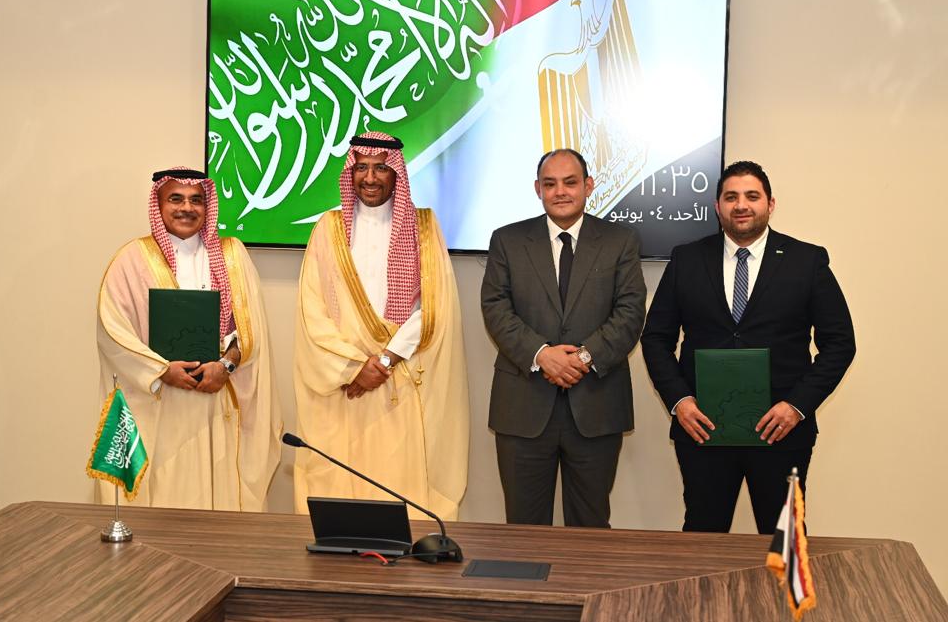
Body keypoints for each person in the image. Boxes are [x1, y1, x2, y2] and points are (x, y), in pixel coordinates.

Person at [641, 160, 855, 534]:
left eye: (752, 196)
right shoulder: (687, 259)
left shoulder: (807, 261)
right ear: (717, 206)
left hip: (781, 432)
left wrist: (796, 406)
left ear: (770, 204)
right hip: (704, 429)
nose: (741, 205)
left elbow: (840, 343)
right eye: (731, 197)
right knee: (703, 537)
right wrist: (680, 402)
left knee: (783, 539)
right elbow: (656, 338)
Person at [292, 132, 469, 521]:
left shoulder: (424, 227)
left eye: (381, 169)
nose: (370, 178)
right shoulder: (328, 228)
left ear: (396, 174)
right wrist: (353, 367)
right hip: (342, 386)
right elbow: (312, 308)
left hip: (399, 378)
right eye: (362, 168)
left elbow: (433, 305)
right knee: (339, 489)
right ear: (351, 173)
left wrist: (386, 359)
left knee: (399, 487)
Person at [96, 168, 281, 510]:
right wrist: (161, 370)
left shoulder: (233, 255)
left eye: (196, 200)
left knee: (218, 504)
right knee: (164, 503)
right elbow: (113, 330)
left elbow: (251, 329)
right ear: (159, 205)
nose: (186, 208)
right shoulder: (130, 259)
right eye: (176, 199)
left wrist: (225, 366)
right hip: (159, 406)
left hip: (217, 400)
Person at [480, 149, 646, 527]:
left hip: (596, 405)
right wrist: (542, 355)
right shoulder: (507, 240)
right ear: (537, 189)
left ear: (588, 186)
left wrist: (582, 358)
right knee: (524, 527)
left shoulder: (620, 240)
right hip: (523, 406)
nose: (560, 192)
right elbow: (495, 308)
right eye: (550, 184)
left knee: (590, 526)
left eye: (570, 182)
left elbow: (630, 312)